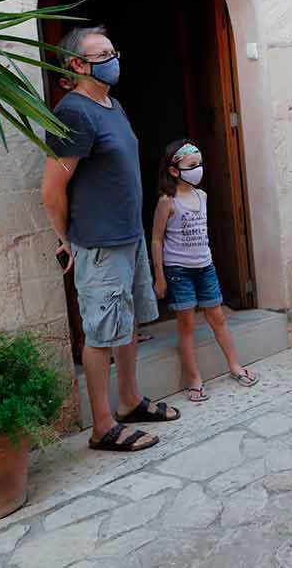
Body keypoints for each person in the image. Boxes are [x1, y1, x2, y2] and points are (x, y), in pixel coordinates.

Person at [41, 26, 180, 453]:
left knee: (127, 325)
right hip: (99, 244)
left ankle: (130, 401)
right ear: (76, 65)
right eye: (101, 53)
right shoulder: (74, 113)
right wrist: (66, 239)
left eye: (113, 51)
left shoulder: (112, 106)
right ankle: (102, 426)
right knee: (100, 335)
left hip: (129, 236)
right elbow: (52, 190)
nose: (112, 58)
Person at [151, 140, 259, 402]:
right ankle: (194, 378)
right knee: (186, 324)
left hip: (205, 267)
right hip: (179, 271)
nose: (198, 169)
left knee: (218, 317)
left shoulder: (203, 197)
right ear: (174, 170)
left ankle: (234, 365)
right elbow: (156, 239)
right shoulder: (167, 202)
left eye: (199, 164)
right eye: (191, 165)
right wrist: (160, 276)